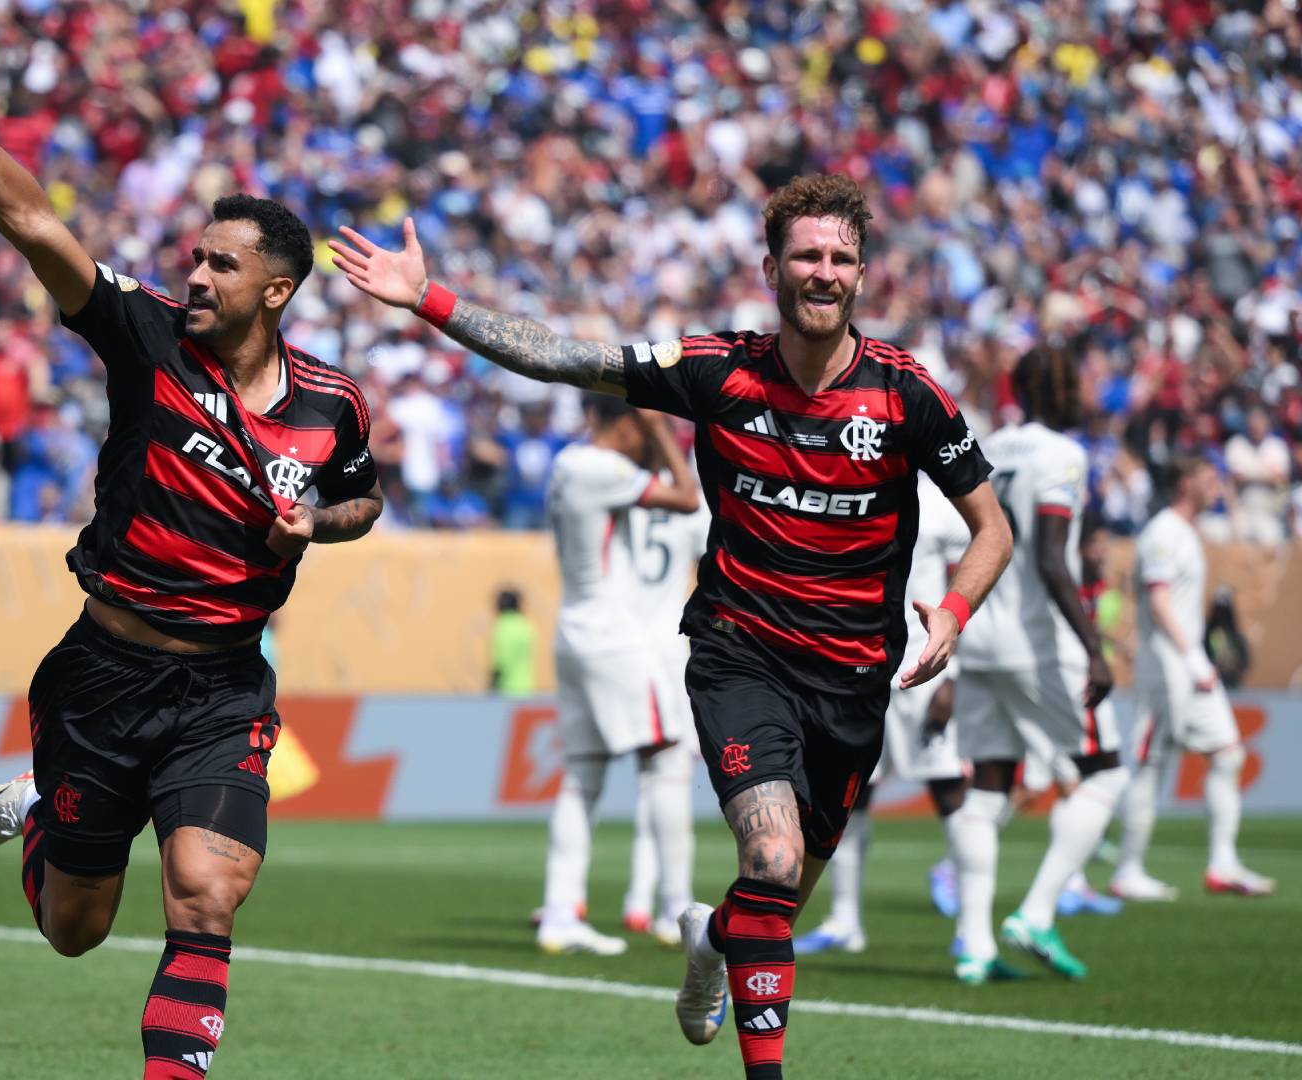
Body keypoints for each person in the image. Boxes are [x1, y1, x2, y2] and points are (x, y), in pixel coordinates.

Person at [332, 173, 1010, 1080]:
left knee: (774, 900)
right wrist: (430, 299)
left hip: (855, 676)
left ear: (861, 273)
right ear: (771, 269)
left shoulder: (906, 394)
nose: (825, 272)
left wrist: (954, 612)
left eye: (842, 258)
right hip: (741, 654)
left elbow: (992, 527)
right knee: (771, 858)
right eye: (807, 255)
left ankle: (711, 939)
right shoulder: (716, 368)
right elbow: (560, 357)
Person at [0, 13, 384, 1078]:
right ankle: (42, 820)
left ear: (276, 291)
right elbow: (32, 222)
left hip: (223, 690)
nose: (195, 275)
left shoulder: (333, 405)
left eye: (221, 265)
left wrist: (319, 522)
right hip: (103, 678)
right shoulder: (144, 336)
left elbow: (363, 502)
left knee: (206, 893)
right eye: (194, 257)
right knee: (77, 929)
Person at [942, 346, 1126, 983]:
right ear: (1060, 390)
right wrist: (1094, 648)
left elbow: (966, 544)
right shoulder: (1063, 454)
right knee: (1105, 775)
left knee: (987, 789)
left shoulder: (989, 445)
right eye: (1075, 384)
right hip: (1038, 644)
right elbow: (1050, 556)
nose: (1082, 396)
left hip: (981, 637)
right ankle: (1038, 913)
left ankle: (973, 947)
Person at [536, 396, 702, 956]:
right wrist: (662, 432)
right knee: (666, 760)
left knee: (582, 776)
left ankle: (561, 912)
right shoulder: (603, 468)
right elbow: (686, 497)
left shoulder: (569, 463)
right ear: (629, 420)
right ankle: (676, 907)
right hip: (613, 637)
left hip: (574, 632)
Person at [794, 469, 970, 956]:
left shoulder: (942, 506)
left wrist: (955, 672)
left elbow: (965, 588)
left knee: (949, 789)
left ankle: (972, 930)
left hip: (921, 669)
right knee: (849, 796)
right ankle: (843, 920)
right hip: (858, 671)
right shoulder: (851, 487)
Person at [1112, 458, 1276, 900]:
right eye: (1208, 479)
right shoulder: (1163, 532)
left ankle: (1223, 864)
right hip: (1165, 668)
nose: (1217, 486)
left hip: (1189, 666)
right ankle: (1128, 870)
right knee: (1151, 763)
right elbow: (1159, 600)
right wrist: (1190, 656)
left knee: (1228, 753)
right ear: (1186, 483)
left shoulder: (1186, 532)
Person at [489, 588, 537, 696]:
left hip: (507, 690)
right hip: (527, 688)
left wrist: (490, 688)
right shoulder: (526, 626)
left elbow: (501, 663)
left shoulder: (503, 627)